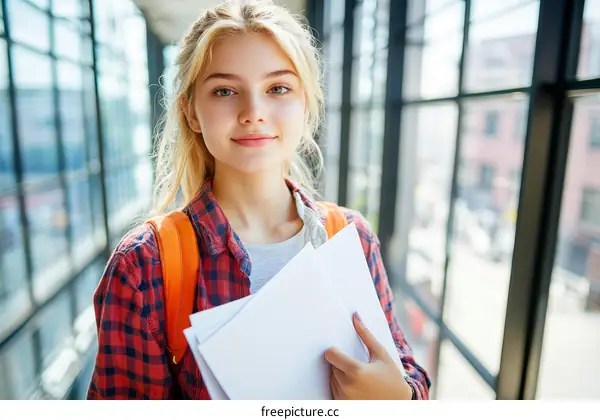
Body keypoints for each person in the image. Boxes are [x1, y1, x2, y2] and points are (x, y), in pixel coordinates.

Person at [86, 1, 431, 400]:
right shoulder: (145, 265)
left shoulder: (350, 235)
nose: (253, 112)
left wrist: (398, 398)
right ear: (192, 112)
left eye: (278, 88)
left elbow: (407, 370)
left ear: (306, 103)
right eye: (225, 91)